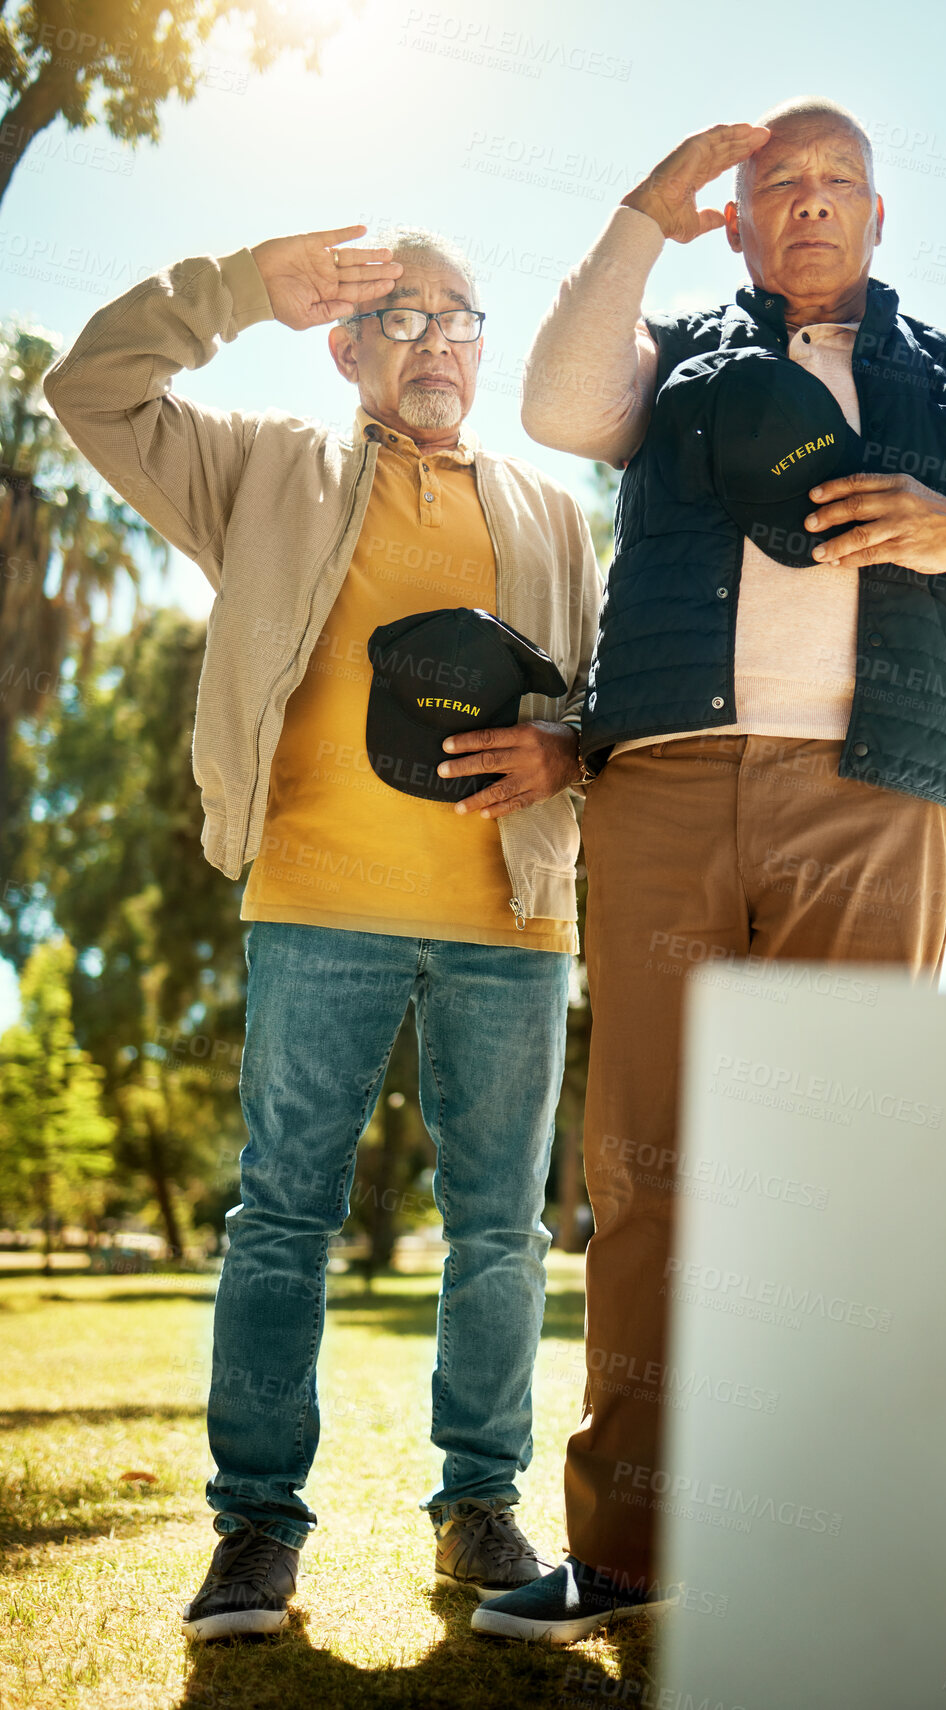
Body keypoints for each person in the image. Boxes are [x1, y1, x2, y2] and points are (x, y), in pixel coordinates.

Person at [472, 97, 946, 1645]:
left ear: (879, 219)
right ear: (738, 219)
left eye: (837, 186)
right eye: (774, 188)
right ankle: (624, 1549)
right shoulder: (672, 355)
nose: (807, 206)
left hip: (879, 793)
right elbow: (554, 407)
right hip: (667, 783)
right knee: (645, 1177)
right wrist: (644, 202)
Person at [45, 221, 602, 1638]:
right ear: (343, 344)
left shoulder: (550, 511)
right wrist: (236, 288)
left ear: (485, 341)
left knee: (496, 1233)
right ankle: (255, 1530)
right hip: (313, 900)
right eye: (398, 318)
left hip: (509, 918)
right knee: (281, 1215)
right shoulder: (264, 469)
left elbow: (604, 694)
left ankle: (481, 1501)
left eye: (457, 315)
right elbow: (89, 388)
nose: (433, 342)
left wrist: (569, 751)